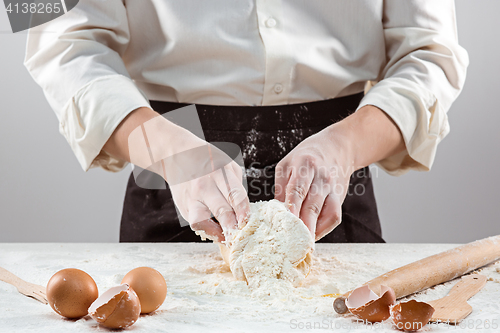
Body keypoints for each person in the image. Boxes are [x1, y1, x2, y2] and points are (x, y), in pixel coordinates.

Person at [25, 1, 468, 243]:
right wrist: (172, 151)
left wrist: (346, 146)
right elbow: (55, 43)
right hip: (167, 163)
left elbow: (432, 54)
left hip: (336, 179)